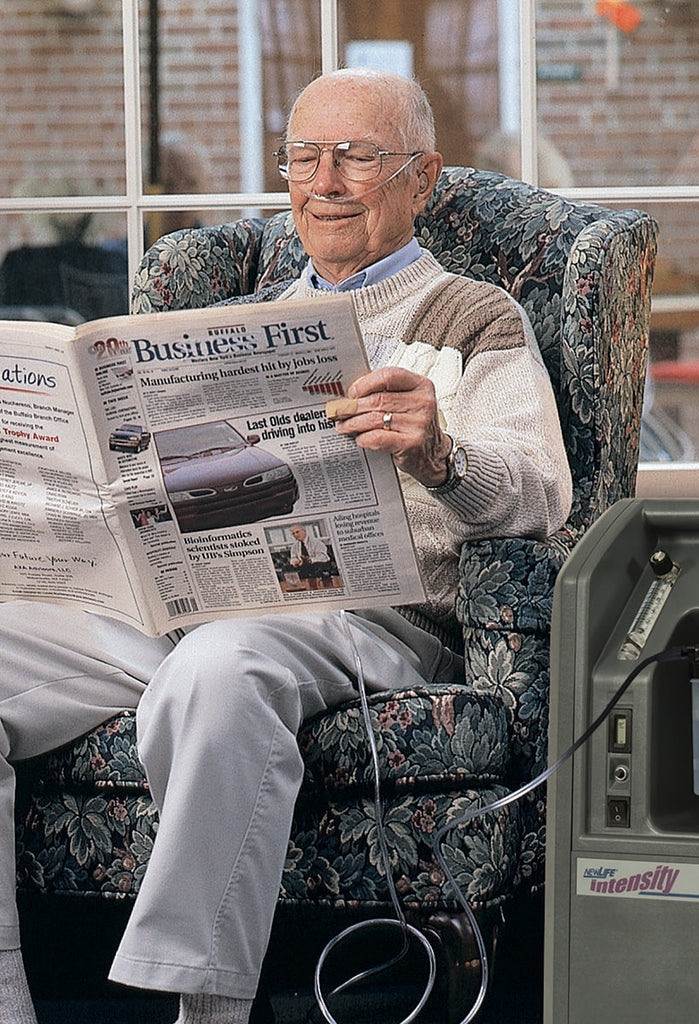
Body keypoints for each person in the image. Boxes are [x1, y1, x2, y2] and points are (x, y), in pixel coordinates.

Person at [0, 68, 572, 1024]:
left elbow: (543, 491)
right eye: (304, 156)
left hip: (364, 618)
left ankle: (205, 1009)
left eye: (357, 156)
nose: (325, 180)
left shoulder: (472, 317)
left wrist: (441, 455)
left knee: (220, 668)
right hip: (181, 607)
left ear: (422, 177)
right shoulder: (220, 327)